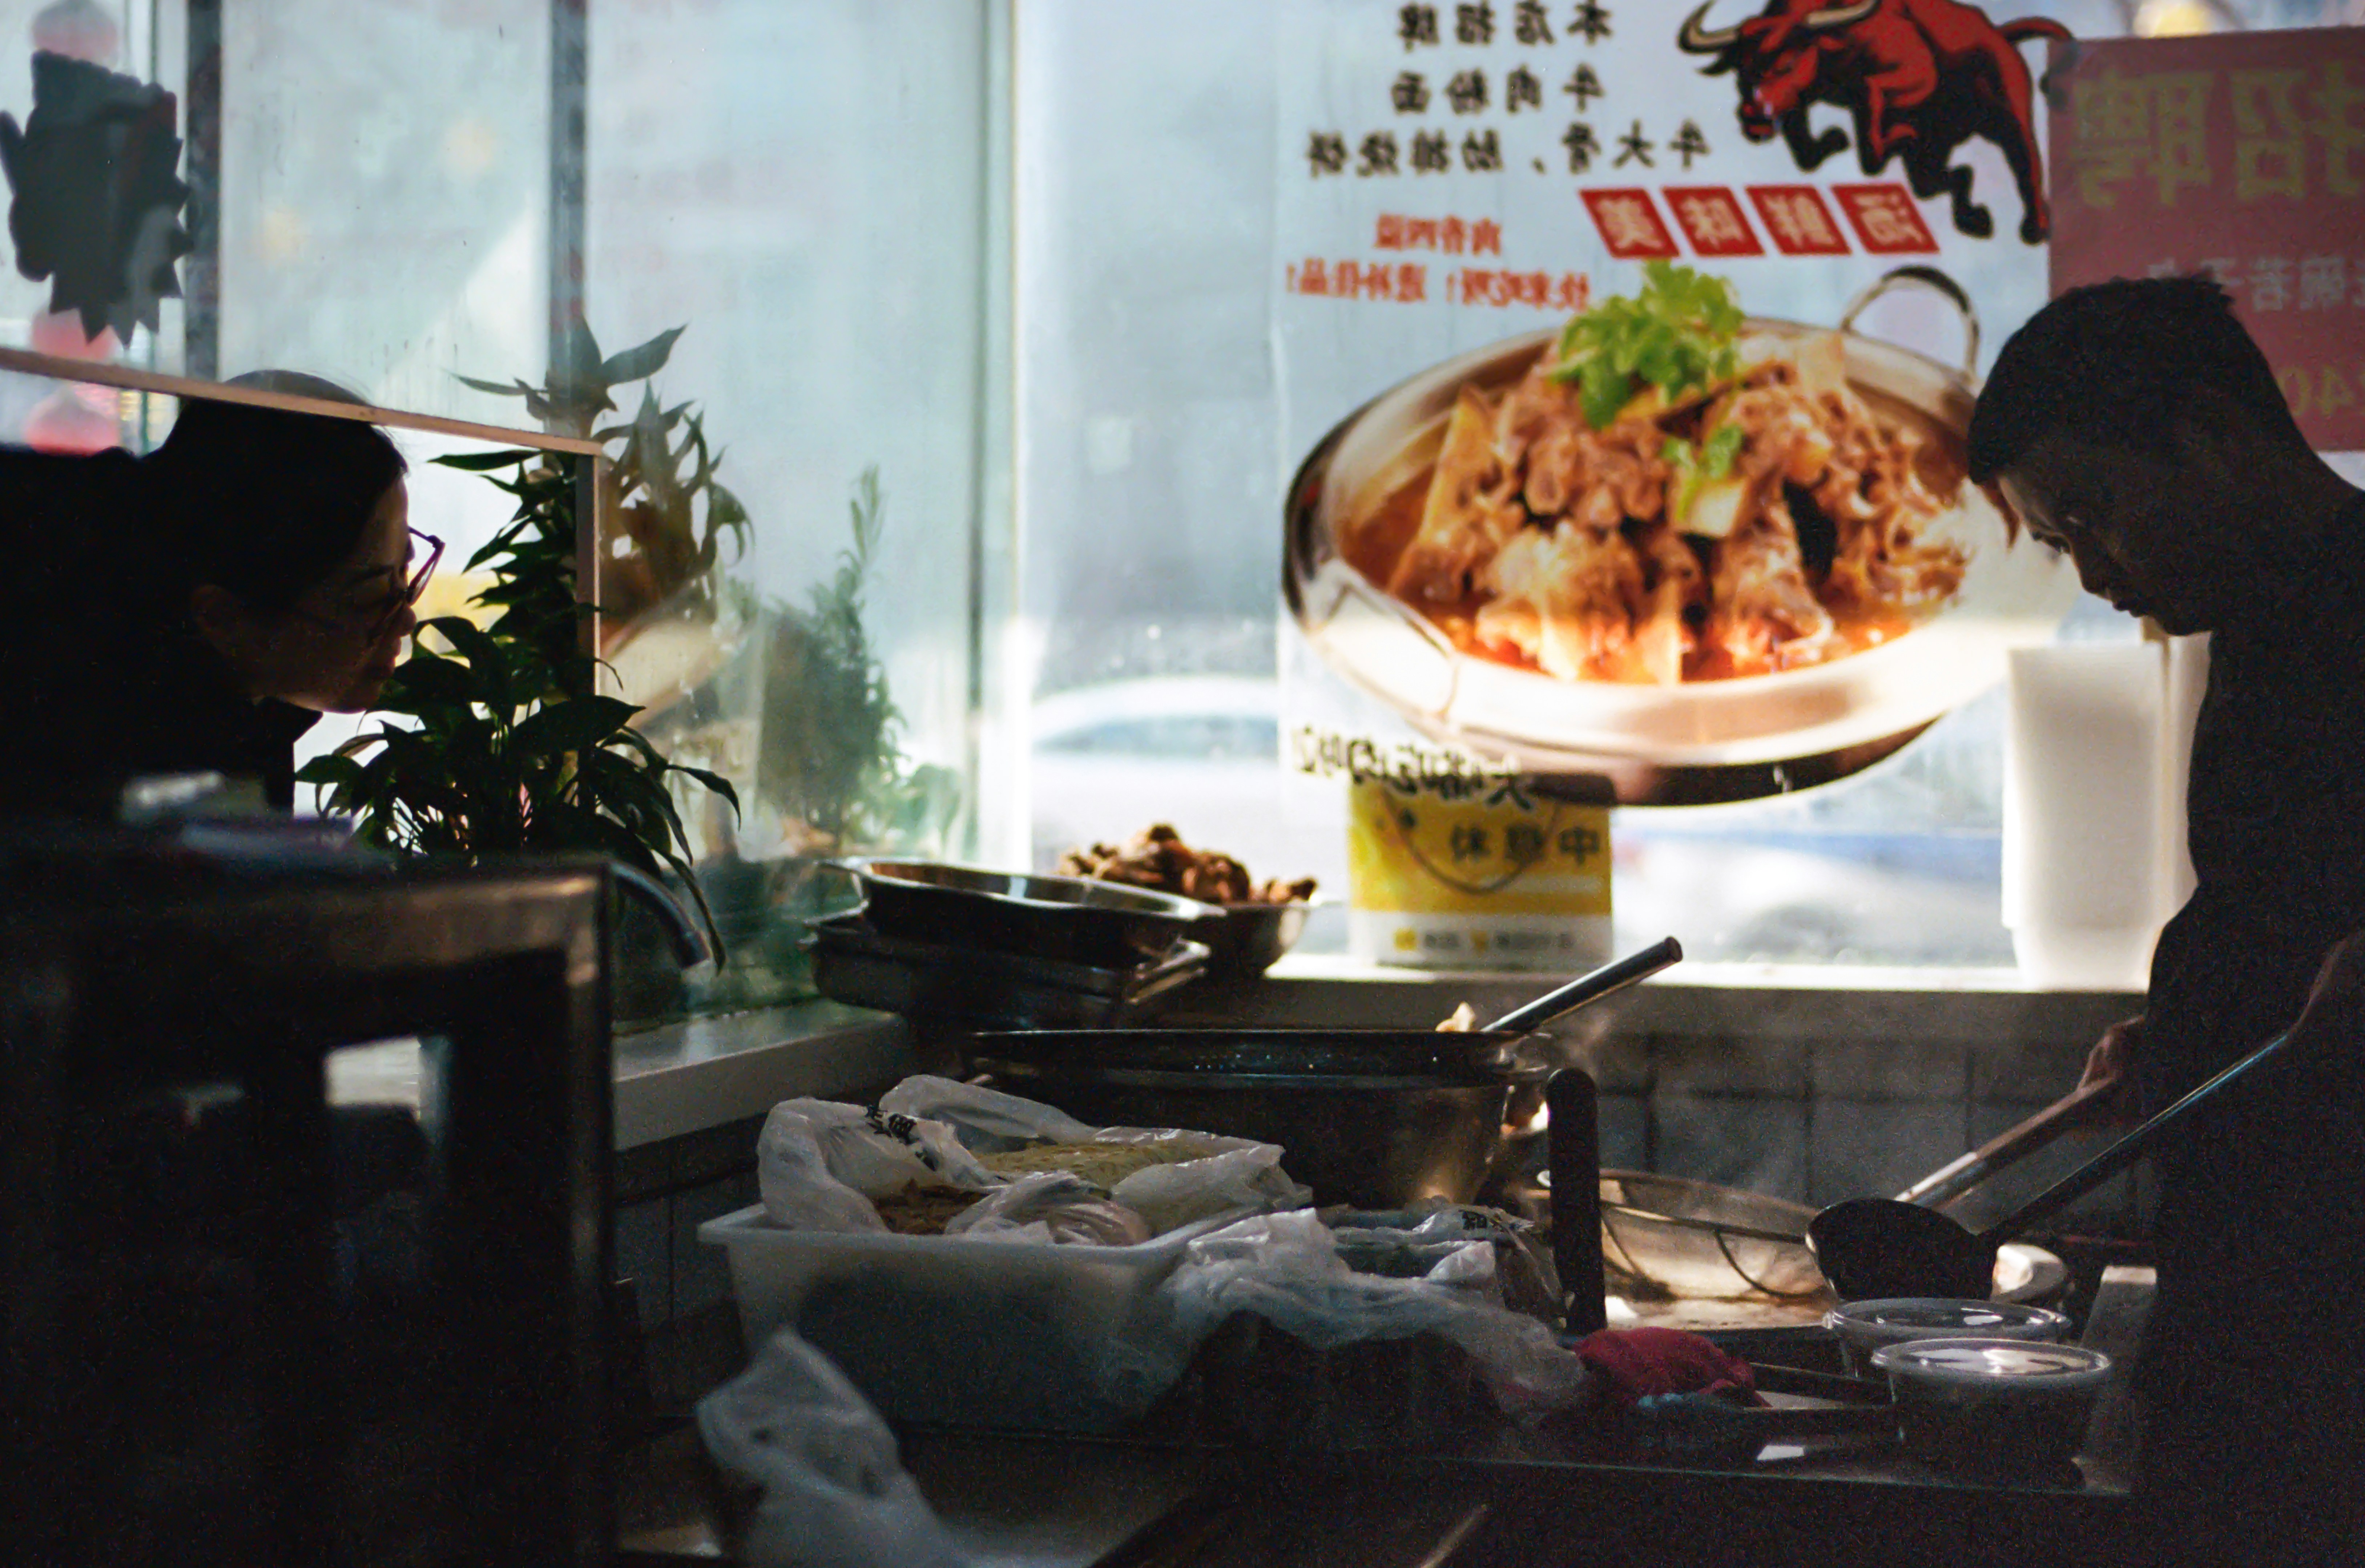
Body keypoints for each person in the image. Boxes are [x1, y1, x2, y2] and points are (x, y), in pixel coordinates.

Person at [1968, 275, 2365, 1565]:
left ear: (2205, 435)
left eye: (2088, 516)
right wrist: (2194, 1026)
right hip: (2250, 1281)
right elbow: (2285, 900)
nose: (2089, 572)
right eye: (2057, 543)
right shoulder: (2257, 626)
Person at [0, 369, 434, 817]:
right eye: (371, 595)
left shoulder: (250, 707)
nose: (406, 618)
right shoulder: (112, 767)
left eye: (406, 571)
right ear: (224, 618)